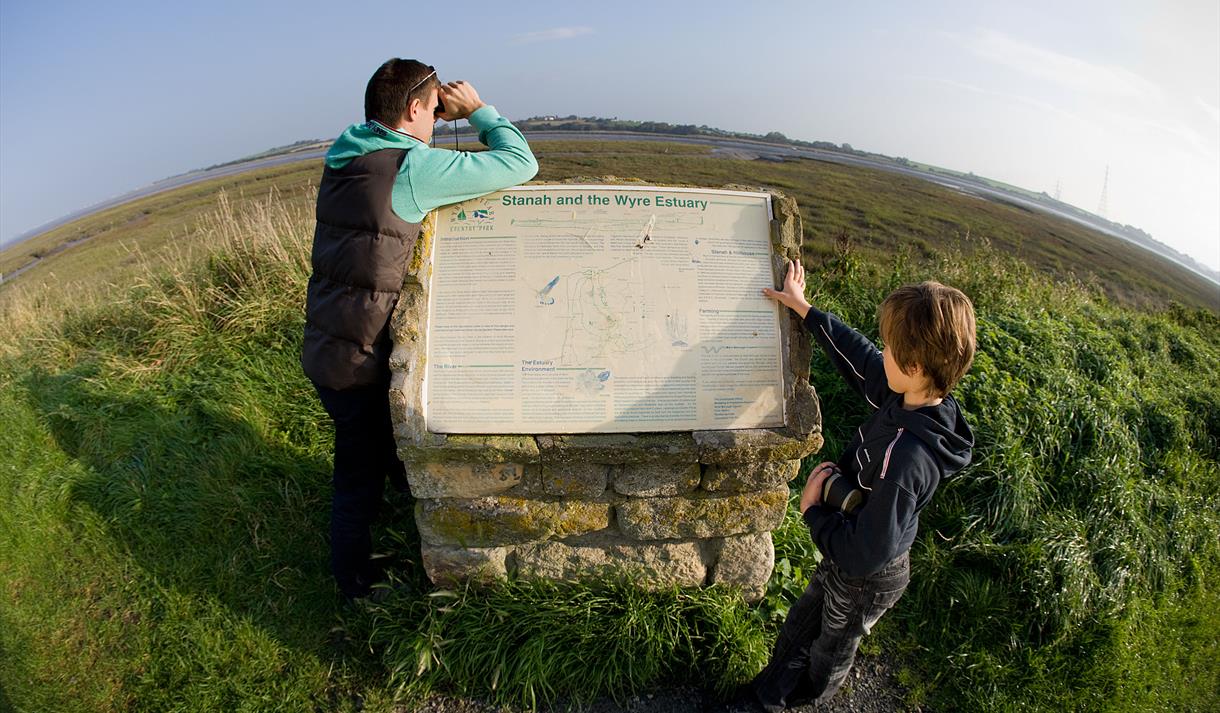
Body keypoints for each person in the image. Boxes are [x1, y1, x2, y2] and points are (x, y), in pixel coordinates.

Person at [302, 58, 538, 602]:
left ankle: (402, 528)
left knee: (379, 450)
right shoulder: (411, 168)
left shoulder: (348, 154)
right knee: (355, 475)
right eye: (434, 110)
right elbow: (520, 162)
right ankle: (354, 581)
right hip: (358, 355)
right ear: (413, 109)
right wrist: (479, 112)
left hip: (330, 339)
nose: (437, 119)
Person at [747, 260, 976, 709]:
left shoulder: (909, 456)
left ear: (912, 364)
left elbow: (868, 550)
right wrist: (805, 310)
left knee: (831, 648)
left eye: (889, 347)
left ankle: (805, 699)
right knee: (801, 625)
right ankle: (765, 695)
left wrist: (813, 512)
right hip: (851, 542)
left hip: (868, 571)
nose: (881, 351)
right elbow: (862, 361)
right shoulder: (913, 394)